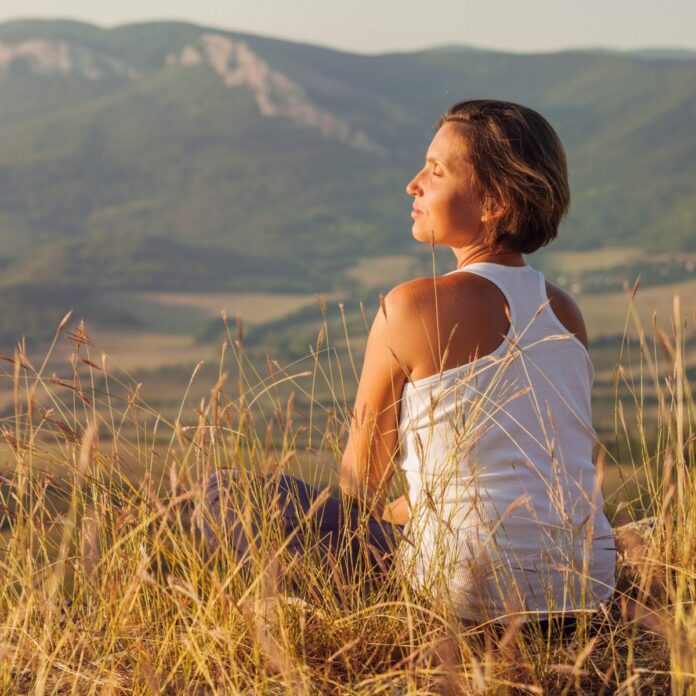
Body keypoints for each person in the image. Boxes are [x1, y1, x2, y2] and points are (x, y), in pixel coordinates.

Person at [200, 99, 616, 624]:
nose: (413, 184)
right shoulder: (566, 312)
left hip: (465, 595)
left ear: (495, 204)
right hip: (585, 588)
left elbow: (359, 486)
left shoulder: (413, 307)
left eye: (436, 171)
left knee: (222, 493)